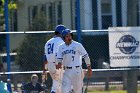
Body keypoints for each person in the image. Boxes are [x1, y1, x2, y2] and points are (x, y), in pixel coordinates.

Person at [56, 29, 92, 93]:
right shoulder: (61, 47)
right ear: (64, 38)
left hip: (77, 70)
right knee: (64, 90)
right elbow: (59, 59)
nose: (69, 37)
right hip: (66, 71)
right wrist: (58, 63)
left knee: (78, 91)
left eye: (70, 36)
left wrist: (89, 68)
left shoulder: (77, 45)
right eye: (67, 36)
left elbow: (86, 56)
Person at [44, 25, 66, 93]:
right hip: (57, 64)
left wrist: (44, 69)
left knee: (58, 85)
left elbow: (45, 57)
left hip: (50, 65)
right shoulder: (61, 42)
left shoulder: (48, 42)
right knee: (56, 86)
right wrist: (58, 65)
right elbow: (57, 54)